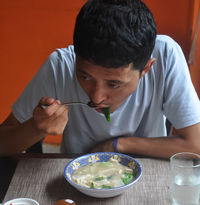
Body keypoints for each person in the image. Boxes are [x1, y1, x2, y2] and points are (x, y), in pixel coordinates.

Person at [0, 0, 200, 158]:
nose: (96, 98)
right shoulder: (61, 65)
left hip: (146, 174)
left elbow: (196, 144)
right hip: (76, 177)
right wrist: (35, 127)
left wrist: (118, 145)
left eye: (113, 84)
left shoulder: (166, 54)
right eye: (84, 76)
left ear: (146, 68)